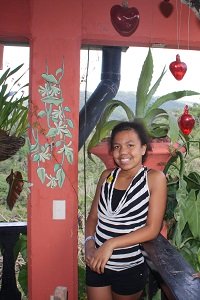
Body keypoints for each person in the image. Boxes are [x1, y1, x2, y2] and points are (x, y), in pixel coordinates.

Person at [84, 120, 167, 300]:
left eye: (130, 145)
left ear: (143, 148)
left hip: (128, 267)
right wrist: (89, 243)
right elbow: (93, 218)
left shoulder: (154, 179)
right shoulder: (106, 176)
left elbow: (152, 229)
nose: (123, 152)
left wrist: (110, 244)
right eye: (117, 146)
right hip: (97, 263)